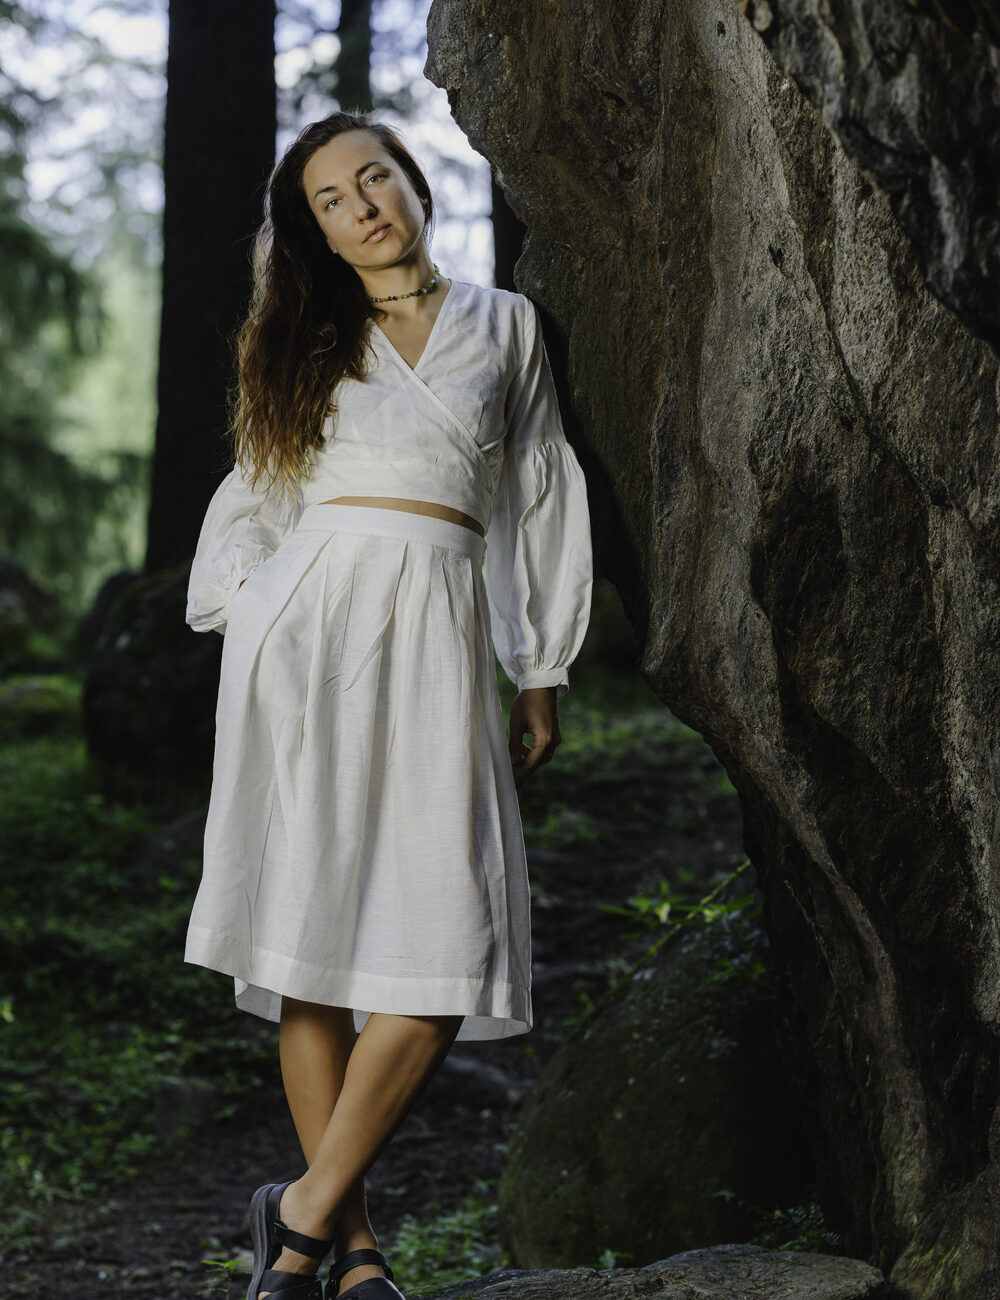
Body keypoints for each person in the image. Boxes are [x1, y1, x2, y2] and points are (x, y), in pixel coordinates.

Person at [183, 110, 593, 1300]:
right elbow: (251, 503)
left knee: (445, 944)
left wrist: (543, 663)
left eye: (377, 177)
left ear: (415, 185)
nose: (363, 204)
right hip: (306, 641)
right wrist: (258, 608)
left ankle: (297, 1210)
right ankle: (351, 1253)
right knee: (308, 945)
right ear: (314, 230)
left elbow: (539, 494)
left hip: (444, 633)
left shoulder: (502, 325)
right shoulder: (307, 336)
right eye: (331, 198)